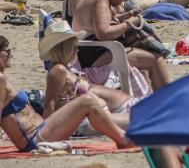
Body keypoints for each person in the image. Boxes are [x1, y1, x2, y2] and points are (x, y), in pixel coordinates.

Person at [0, 35, 130, 152]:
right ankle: (122, 139)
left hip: (41, 129)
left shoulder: (3, 78)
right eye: (7, 51)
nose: (11, 54)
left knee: (87, 101)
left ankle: (122, 138)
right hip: (34, 138)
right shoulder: (1, 79)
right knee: (87, 101)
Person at [72, 0, 170, 91]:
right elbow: (103, 33)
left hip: (87, 52)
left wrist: (127, 14)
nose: (123, 1)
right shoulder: (101, 0)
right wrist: (129, 24)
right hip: (94, 55)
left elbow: (102, 21)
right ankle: (167, 100)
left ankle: (156, 99)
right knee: (156, 59)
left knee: (148, 59)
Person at [40, 21, 132, 129]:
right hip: (91, 119)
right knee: (141, 120)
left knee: (144, 118)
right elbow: (50, 103)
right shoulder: (58, 70)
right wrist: (45, 132)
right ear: (64, 48)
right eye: (74, 47)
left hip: (101, 113)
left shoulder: (64, 68)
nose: (77, 50)